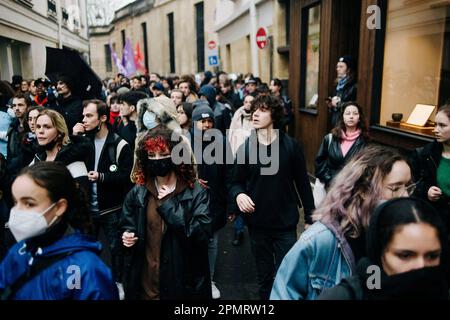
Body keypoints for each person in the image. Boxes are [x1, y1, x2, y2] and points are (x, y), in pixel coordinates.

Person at [270, 145, 414, 300]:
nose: (405, 196)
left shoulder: (394, 238)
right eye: (395, 188)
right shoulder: (318, 241)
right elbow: (283, 295)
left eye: (408, 187)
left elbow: (376, 288)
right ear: (364, 191)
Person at [230, 94, 315, 300]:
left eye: (263, 109)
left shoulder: (291, 146)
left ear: (274, 115)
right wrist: (239, 194)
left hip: (285, 224)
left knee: (288, 274)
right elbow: (235, 182)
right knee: (264, 277)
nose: (256, 114)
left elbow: (303, 183)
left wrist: (311, 218)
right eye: (255, 110)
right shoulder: (246, 148)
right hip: (258, 224)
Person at [119, 125, 212, 300]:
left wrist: (169, 206)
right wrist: (127, 236)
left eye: (163, 154)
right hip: (145, 287)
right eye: (152, 155)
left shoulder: (196, 192)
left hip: (183, 288)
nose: (157, 160)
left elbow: (201, 236)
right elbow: (126, 224)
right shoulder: (138, 192)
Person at [0, 162, 118, 299]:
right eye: (16, 202)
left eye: (29, 203)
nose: (17, 211)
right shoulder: (20, 251)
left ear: (59, 207)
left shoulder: (87, 269)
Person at [318, 197, 449, 300]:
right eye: (405, 256)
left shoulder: (441, 290)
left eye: (432, 256)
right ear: (380, 254)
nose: (421, 266)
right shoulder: (344, 296)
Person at [73, 100, 133, 293]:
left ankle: (118, 284)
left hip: (111, 209)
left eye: (89, 116)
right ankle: (87, 284)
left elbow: (127, 176)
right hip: (87, 208)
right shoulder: (84, 141)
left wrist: (102, 177)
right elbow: (67, 161)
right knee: (84, 249)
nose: (84, 120)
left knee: (116, 250)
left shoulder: (120, 144)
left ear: (103, 118)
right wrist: (74, 137)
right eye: (84, 116)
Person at [190, 102, 234, 299]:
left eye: (209, 121)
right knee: (189, 241)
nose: (206, 125)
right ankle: (191, 279)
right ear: (194, 123)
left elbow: (230, 175)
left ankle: (210, 280)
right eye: (202, 121)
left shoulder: (222, 143)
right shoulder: (184, 142)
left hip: (215, 202)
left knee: (212, 242)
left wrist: (232, 204)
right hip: (189, 203)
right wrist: (192, 180)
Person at [31, 109, 91, 195]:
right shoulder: (38, 158)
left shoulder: (74, 162)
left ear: (59, 132)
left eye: (47, 127)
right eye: (38, 127)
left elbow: (81, 202)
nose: (40, 131)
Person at [413, 104, 450, 234]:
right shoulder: (425, 154)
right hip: (434, 221)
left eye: (442, 125)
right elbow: (413, 185)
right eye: (435, 124)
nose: (435, 129)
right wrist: (426, 190)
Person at [315, 102, 369, 189]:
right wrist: (331, 180)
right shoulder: (330, 138)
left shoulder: (365, 142)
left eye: (355, 113)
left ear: (359, 118)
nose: (351, 116)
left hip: (353, 190)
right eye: (347, 113)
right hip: (331, 188)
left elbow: (367, 168)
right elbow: (319, 163)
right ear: (342, 117)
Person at [227, 93, 255, 246]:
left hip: (253, 161)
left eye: (250, 102)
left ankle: (252, 229)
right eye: (245, 101)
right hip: (237, 160)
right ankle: (238, 231)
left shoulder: (257, 118)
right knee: (239, 193)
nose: (247, 104)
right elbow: (231, 135)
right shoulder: (238, 115)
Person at [327, 55, 357, 128]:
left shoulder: (354, 86)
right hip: (336, 124)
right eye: (337, 67)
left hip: (347, 126)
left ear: (348, 69)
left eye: (341, 67)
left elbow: (355, 105)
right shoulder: (337, 85)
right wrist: (330, 104)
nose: (338, 69)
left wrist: (338, 104)